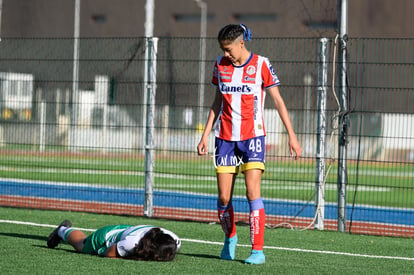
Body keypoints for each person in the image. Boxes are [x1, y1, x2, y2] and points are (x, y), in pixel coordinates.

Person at [197, 24, 302, 265]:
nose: (226, 54)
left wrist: (292, 136)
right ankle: (230, 236)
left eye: (228, 49)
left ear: (241, 43)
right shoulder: (220, 65)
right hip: (224, 139)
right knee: (224, 198)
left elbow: (278, 100)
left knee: (252, 192)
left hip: (253, 138)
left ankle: (257, 251)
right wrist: (205, 135)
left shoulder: (262, 64)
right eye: (222, 50)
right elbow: (217, 103)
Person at [47, 220, 181, 261]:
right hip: (107, 236)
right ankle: (62, 230)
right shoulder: (130, 244)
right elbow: (108, 253)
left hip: (127, 231)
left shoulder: (174, 240)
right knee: (81, 245)